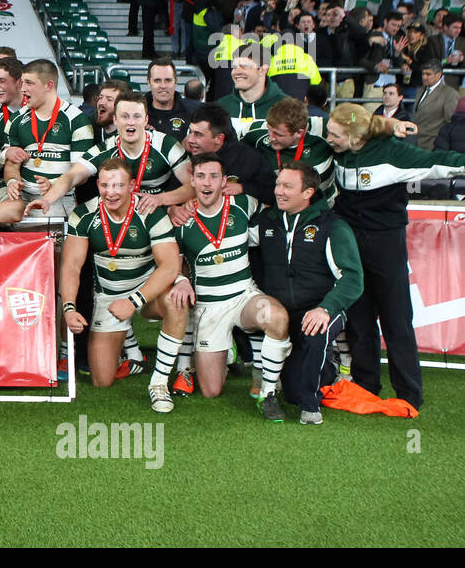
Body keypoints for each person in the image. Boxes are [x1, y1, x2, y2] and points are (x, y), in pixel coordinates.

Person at [327, 103, 465, 410]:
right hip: (351, 245)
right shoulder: (338, 149)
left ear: (355, 137)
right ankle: (366, 384)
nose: (329, 138)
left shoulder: (395, 153)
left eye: (335, 134)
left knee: (396, 320)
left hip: (386, 244)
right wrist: (389, 123)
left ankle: (409, 394)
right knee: (360, 319)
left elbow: (440, 162)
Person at [166, 153, 294, 421]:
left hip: (243, 296)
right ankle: (231, 346)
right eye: (200, 176)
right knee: (211, 390)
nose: (207, 182)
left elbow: (274, 207)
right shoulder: (180, 219)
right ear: (192, 180)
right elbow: (171, 261)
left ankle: (267, 392)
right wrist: (170, 208)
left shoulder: (243, 204)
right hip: (208, 307)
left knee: (277, 316)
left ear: (224, 181)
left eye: (214, 176)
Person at [58, 159, 189, 410]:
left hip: (148, 290)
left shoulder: (150, 211)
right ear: (98, 185)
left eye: (118, 185)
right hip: (108, 296)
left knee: (176, 301)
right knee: (102, 380)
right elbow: (72, 266)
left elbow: (170, 266)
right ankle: (129, 347)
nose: (111, 192)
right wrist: (69, 308)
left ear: (132, 185)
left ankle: (159, 383)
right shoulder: (84, 213)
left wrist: (134, 301)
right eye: (105, 185)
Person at [253, 162, 364, 424]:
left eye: (287, 186)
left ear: (308, 193)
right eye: (278, 184)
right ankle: (322, 371)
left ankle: (311, 406)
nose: (278, 191)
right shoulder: (266, 222)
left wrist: (326, 308)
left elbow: (353, 277)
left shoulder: (333, 226)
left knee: (315, 336)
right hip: (282, 312)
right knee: (291, 392)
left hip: (319, 308)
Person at [29, 90, 192, 215]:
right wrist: (47, 200)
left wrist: (160, 199)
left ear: (146, 120)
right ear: (115, 120)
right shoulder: (104, 149)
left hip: (155, 212)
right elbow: (72, 176)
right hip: (116, 214)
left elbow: (192, 187)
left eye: (137, 116)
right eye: (125, 116)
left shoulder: (167, 145)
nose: (131, 122)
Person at [5, 58, 94, 217]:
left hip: (60, 200)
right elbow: (11, 165)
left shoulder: (77, 120)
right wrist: (12, 182)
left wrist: (53, 184)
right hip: (22, 199)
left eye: (29, 83)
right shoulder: (16, 120)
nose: (23, 88)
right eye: (22, 82)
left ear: (49, 85)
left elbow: (81, 174)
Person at [242, 98, 335, 203]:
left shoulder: (325, 134)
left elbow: (352, 122)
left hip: (321, 207)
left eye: (278, 135)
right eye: (269, 129)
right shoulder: (256, 133)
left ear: (299, 133)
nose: (271, 137)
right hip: (275, 206)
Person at [409, 64, 461, 150]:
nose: (424, 77)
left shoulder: (450, 94)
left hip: (434, 144)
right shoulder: (420, 90)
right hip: (416, 142)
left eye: (428, 74)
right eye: (423, 74)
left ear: (439, 75)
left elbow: (451, 121)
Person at [146, 58, 198, 141]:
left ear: (175, 81)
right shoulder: (136, 112)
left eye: (168, 80)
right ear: (149, 82)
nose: (163, 86)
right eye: (157, 80)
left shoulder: (194, 112)